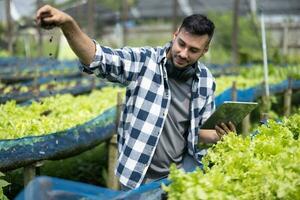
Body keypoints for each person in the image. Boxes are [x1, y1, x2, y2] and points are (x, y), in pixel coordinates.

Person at [36, 5, 236, 190]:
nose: (183, 53)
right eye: (181, 44)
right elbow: (98, 58)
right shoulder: (143, 62)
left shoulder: (206, 81)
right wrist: (68, 24)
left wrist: (217, 136)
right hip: (137, 177)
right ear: (175, 35)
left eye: (193, 50)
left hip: (178, 179)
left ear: (205, 51)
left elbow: (198, 132)